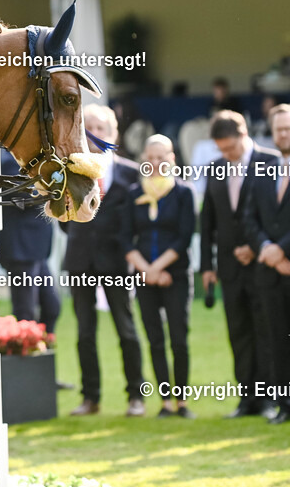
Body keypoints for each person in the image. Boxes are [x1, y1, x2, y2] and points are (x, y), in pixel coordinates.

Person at [63, 105, 145, 417]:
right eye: (89, 127)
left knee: (127, 330)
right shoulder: (72, 172)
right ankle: (90, 398)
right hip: (80, 260)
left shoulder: (130, 172)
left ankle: (136, 396)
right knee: (85, 334)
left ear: (114, 134)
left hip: (117, 263)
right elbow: (63, 219)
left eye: (102, 128)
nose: (95, 133)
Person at [200, 110, 279, 419]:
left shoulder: (271, 162)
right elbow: (208, 222)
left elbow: (277, 214)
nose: (226, 154)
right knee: (239, 332)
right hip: (229, 267)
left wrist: (256, 247)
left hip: (263, 262)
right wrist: (207, 265)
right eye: (221, 149)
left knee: (268, 330)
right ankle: (246, 399)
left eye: (230, 148)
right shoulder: (214, 169)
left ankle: (269, 398)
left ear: (244, 135)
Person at [121, 134, 196, 418]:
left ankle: (182, 402)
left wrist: (159, 268)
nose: (154, 163)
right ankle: (164, 402)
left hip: (175, 274)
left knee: (178, 338)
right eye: (149, 158)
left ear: (172, 159)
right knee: (155, 339)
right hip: (144, 277)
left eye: (160, 158)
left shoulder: (183, 193)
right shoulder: (133, 194)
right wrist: (147, 270)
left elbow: (184, 237)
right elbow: (126, 238)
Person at [243, 103, 290, 425]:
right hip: (271, 275)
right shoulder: (262, 170)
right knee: (279, 343)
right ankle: (288, 405)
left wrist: (282, 249)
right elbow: (249, 217)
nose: (282, 134)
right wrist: (267, 248)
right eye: (277, 129)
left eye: (288, 128)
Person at [0, 149, 60, 334]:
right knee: (25, 312)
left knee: (52, 307)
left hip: (37, 250)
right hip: (20, 249)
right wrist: (54, 189)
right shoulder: (8, 161)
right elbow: (23, 196)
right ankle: (27, 354)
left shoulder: (34, 161)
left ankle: (42, 351)